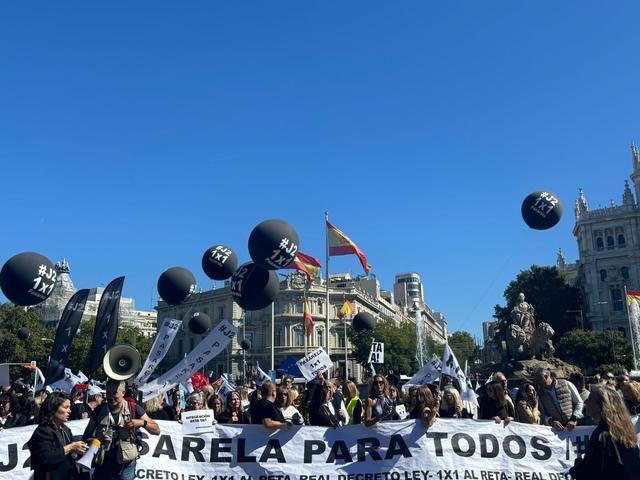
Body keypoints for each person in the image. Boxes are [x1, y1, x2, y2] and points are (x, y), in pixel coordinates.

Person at [83, 379, 160, 480]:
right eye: (108, 393)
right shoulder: (99, 410)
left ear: (123, 393)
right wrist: (99, 440)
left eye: (114, 393)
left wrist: (141, 423)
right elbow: (85, 438)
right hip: (103, 463)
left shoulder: (134, 408)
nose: (110, 397)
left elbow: (156, 430)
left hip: (126, 465)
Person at [569, 384, 640, 479]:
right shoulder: (626, 432)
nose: (586, 401)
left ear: (601, 406)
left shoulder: (601, 436)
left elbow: (593, 474)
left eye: (590, 398)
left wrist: (577, 469)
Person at [28, 393, 89, 480]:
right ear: (53, 408)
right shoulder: (43, 431)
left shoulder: (66, 429)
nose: (69, 411)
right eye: (65, 407)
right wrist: (71, 447)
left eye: (70, 407)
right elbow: (45, 457)